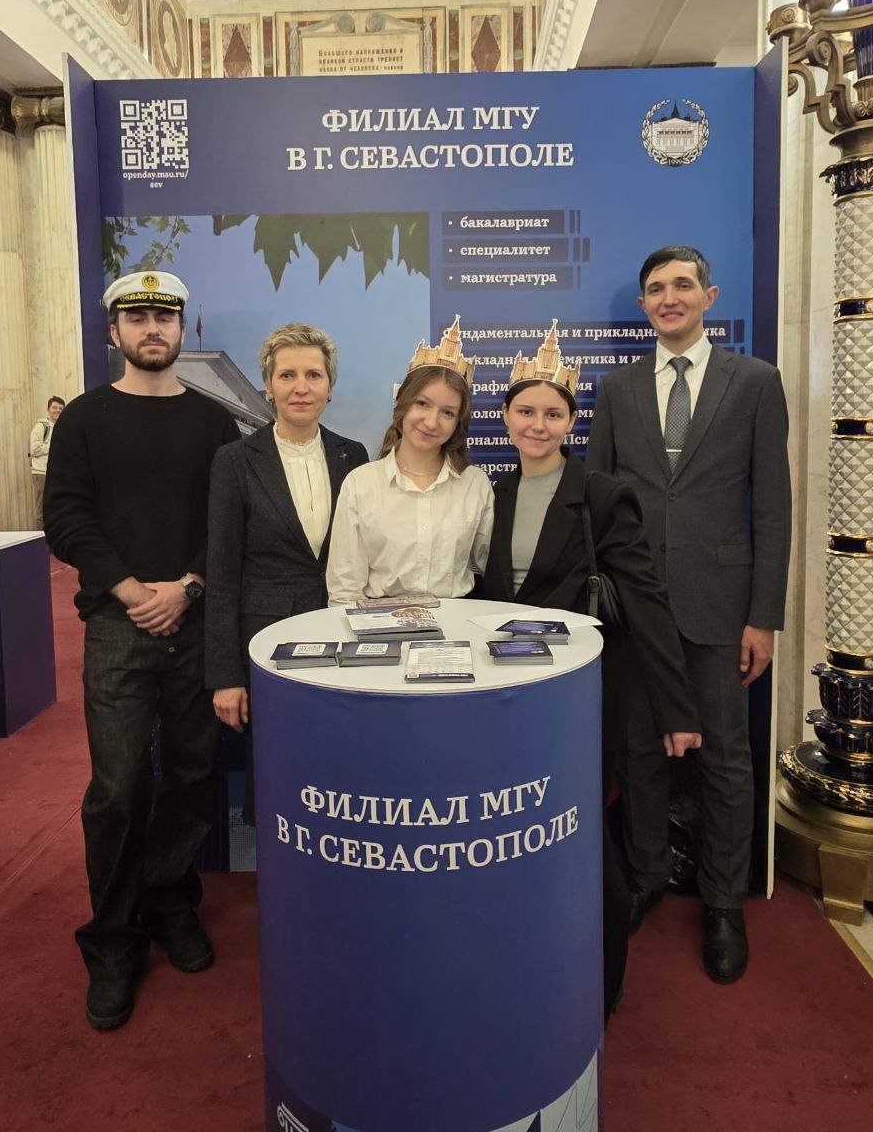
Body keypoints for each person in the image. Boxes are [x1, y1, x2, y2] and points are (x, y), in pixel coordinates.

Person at [482, 321, 700, 1019]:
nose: (537, 425)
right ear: (505, 417)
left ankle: (600, 986)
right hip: (505, 698)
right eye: (525, 411)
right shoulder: (492, 495)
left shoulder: (603, 496)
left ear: (571, 423)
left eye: (552, 413)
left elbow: (649, 603)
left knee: (580, 837)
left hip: (577, 700)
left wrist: (678, 711)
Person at [587, 244, 791, 985]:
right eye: (655, 288)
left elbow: (773, 506)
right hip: (637, 607)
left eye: (682, 285)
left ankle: (723, 901)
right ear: (644, 304)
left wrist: (763, 617)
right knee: (640, 752)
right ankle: (645, 876)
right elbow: (598, 497)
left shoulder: (755, 382)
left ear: (710, 296)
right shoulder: (618, 389)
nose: (668, 297)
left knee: (725, 759)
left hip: (720, 605)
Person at [43, 270, 240, 1031]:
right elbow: (67, 518)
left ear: (182, 328)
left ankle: (169, 904)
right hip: (118, 627)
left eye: (164, 315)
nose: (152, 327)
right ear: (115, 331)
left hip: (194, 623)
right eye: (137, 317)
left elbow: (225, 525)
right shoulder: (84, 419)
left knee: (191, 776)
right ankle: (112, 938)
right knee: (118, 788)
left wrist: (185, 588)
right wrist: (133, 592)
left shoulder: (214, 422)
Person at [205, 323, 369, 822]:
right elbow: (221, 572)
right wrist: (226, 676)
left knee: (344, 766)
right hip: (269, 643)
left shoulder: (353, 456)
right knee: (279, 772)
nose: (301, 387)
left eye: (313, 375)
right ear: (268, 386)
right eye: (287, 375)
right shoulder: (234, 460)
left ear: (330, 386)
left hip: (344, 639)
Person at [326, 316, 493, 606]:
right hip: (379, 625)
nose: (431, 421)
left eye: (447, 412)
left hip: (456, 623)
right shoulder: (361, 483)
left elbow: (494, 566)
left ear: (458, 422)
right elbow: (344, 588)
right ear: (402, 404)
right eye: (422, 404)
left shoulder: (474, 484)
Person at [29, 395, 65, 530]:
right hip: (42, 473)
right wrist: (55, 448)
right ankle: (41, 539)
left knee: (55, 508)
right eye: (55, 407)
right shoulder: (41, 426)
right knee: (42, 509)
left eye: (61, 408)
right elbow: (34, 449)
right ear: (48, 409)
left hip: (57, 474)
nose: (58, 410)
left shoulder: (62, 427)